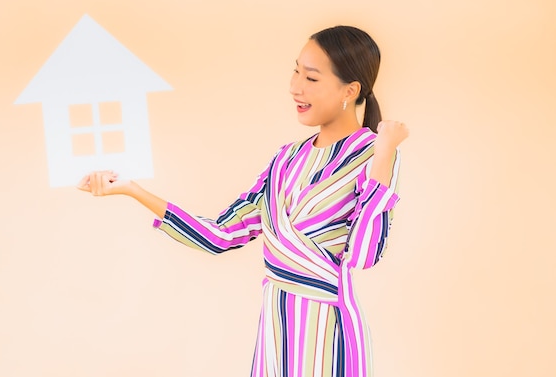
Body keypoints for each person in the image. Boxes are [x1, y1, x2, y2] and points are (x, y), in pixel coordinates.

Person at [78, 25, 409, 377]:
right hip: (276, 332)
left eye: (311, 78)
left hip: (330, 333)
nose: (295, 86)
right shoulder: (285, 159)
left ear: (351, 89)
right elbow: (221, 235)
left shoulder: (374, 157)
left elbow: (363, 255)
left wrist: (385, 151)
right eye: (295, 70)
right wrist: (133, 190)